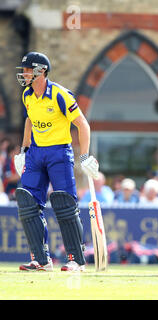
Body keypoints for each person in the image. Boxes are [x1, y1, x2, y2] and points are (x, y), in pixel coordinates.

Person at [14, 51, 100, 272]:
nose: (23, 74)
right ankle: (41, 260)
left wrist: (85, 155)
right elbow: (29, 120)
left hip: (59, 153)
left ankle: (76, 259)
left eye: (27, 70)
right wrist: (24, 149)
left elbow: (82, 125)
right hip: (35, 153)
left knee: (64, 204)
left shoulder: (60, 94)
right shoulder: (27, 95)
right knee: (26, 201)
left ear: (41, 71)